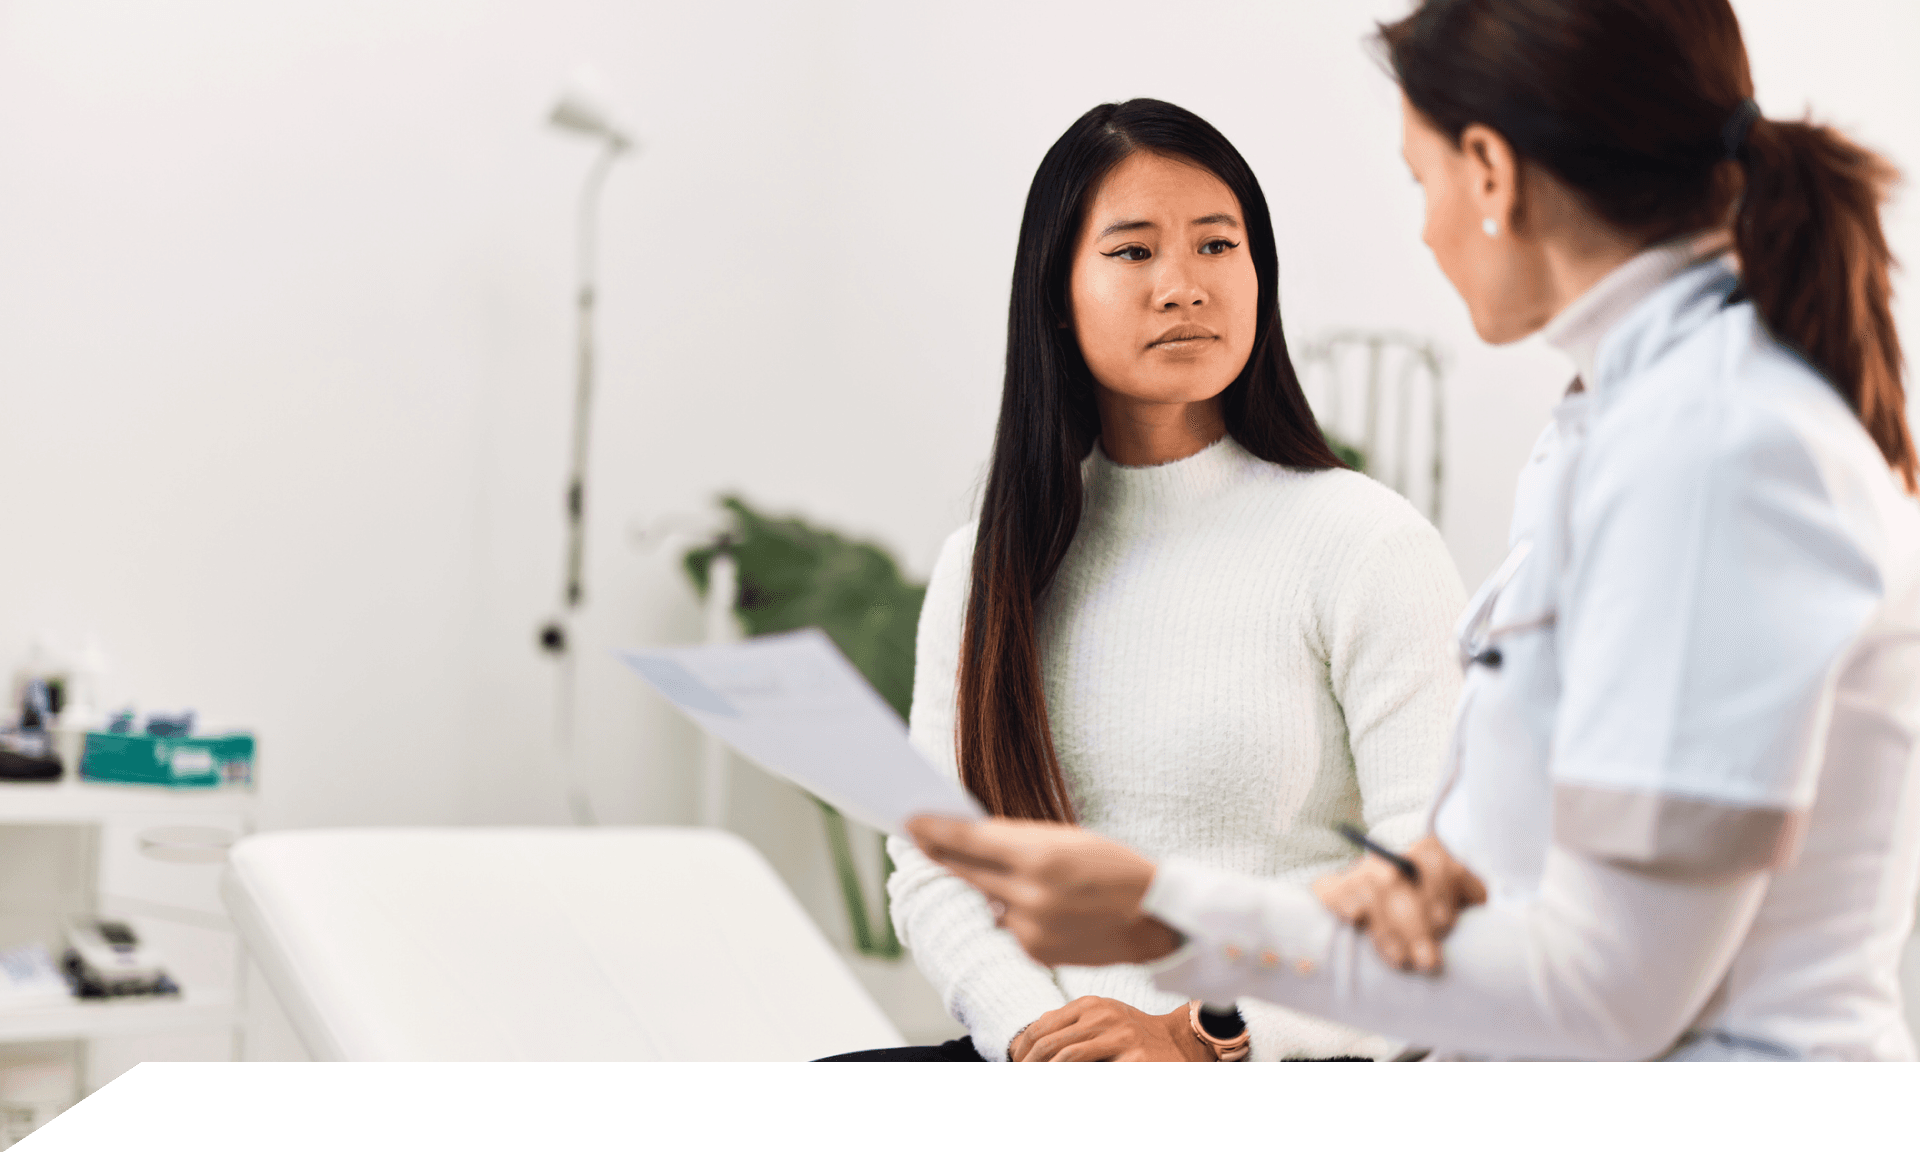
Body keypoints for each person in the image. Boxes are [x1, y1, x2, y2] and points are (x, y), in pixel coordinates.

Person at [909, 0, 1920, 1062]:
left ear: (1488, 171)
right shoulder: (1621, 428)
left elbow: (1613, 991)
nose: (1425, 227)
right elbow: (1529, 882)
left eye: (1418, 179)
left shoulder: (1715, 455)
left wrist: (1180, 929)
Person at [826, 99, 1465, 1062]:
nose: (1183, 287)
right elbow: (937, 868)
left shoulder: (1364, 543)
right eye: (1133, 253)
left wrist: (1211, 1036)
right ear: (1055, 294)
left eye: (1217, 246)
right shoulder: (987, 566)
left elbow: (1435, 890)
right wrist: (1038, 1038)